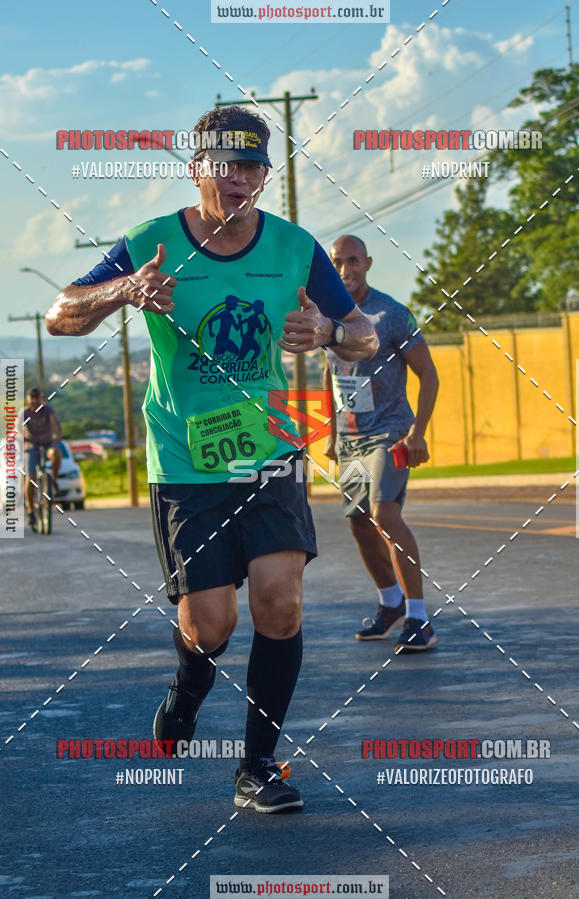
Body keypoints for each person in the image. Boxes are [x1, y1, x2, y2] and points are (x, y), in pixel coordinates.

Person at [46, 106, 378, 814]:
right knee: (213, 625)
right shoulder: (149, 241)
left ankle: (258, 765)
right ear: (195, 167)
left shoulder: (293, 246)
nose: (239, 178)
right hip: (185, 462)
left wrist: (326, 329)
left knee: (281, 602)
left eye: (253, 165)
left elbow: (365, 336)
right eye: (225, 164)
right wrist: (124, 290)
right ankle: (188, 687)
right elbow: (58, 311)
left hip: (268, 453)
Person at [323, 234, 439, 652]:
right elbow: (330, 373)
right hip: (351, 438)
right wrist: (333, 434)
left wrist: (418, 432)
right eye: (337, 262)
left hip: (390, 431)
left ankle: (419, 618)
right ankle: (390, 603)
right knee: (359, 521)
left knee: (383, 512)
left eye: (352, 261)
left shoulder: (391, 314)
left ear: (367, 263)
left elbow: (428, 373)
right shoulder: (328, 315)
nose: (344, 270)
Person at [20, 387, 63, 527]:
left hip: (47, 444)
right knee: (30, 478)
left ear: (41, 399)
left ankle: (52, 482)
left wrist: (58, 436)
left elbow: (55, 423)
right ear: (27, 399)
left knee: (56, 454)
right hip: (31, 448)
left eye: (37, 398)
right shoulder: (24, 413)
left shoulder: (47, 410)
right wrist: (23, 439)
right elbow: (18, 430)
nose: (34, 401)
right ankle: (31, 510)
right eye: (31, 398)